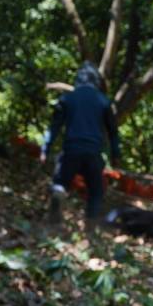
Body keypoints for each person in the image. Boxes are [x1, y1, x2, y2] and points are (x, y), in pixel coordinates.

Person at [40, 62, 121, 226]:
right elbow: (113, 132)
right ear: (96, 81)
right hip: (93, 153)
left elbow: (54, 127)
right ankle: (90, 226)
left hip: (71, 150)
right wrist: (115, 155)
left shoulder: (67, 98)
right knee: (96, 191)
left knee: (60, 183)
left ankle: (57, 203)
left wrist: (45, 149)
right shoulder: (104, 102)